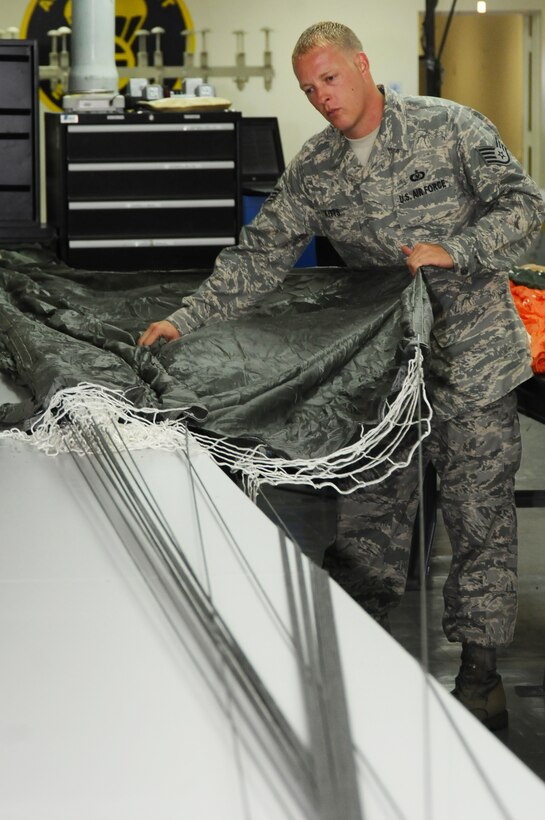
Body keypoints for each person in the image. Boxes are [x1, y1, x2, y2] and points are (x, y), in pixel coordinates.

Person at [138, 21, 545, 730]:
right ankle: (353, 663)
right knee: (368, 522)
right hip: (386, 373)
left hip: (473, 359)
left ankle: (480, 678)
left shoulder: (447, 128)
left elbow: (524, 209)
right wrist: (184, 319)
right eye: (307, 89)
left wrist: (455, 248)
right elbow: (259, 255)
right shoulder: (318, 166)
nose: (320, 97)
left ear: (360, 65)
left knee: (478, 520)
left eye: (329, 79)